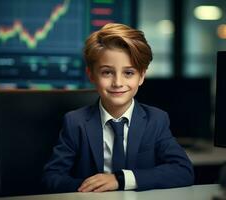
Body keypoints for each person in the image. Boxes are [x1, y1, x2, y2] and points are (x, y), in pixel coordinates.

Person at [42, 23, 194, 193]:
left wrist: (120, 180)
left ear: (141, 76)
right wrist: (93, 187)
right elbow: (52, 177)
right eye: (107, 72)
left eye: (128, 73)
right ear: (91, 74)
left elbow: (184, 171)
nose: (118, 83)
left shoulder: (156, 120)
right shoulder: (75, 122)